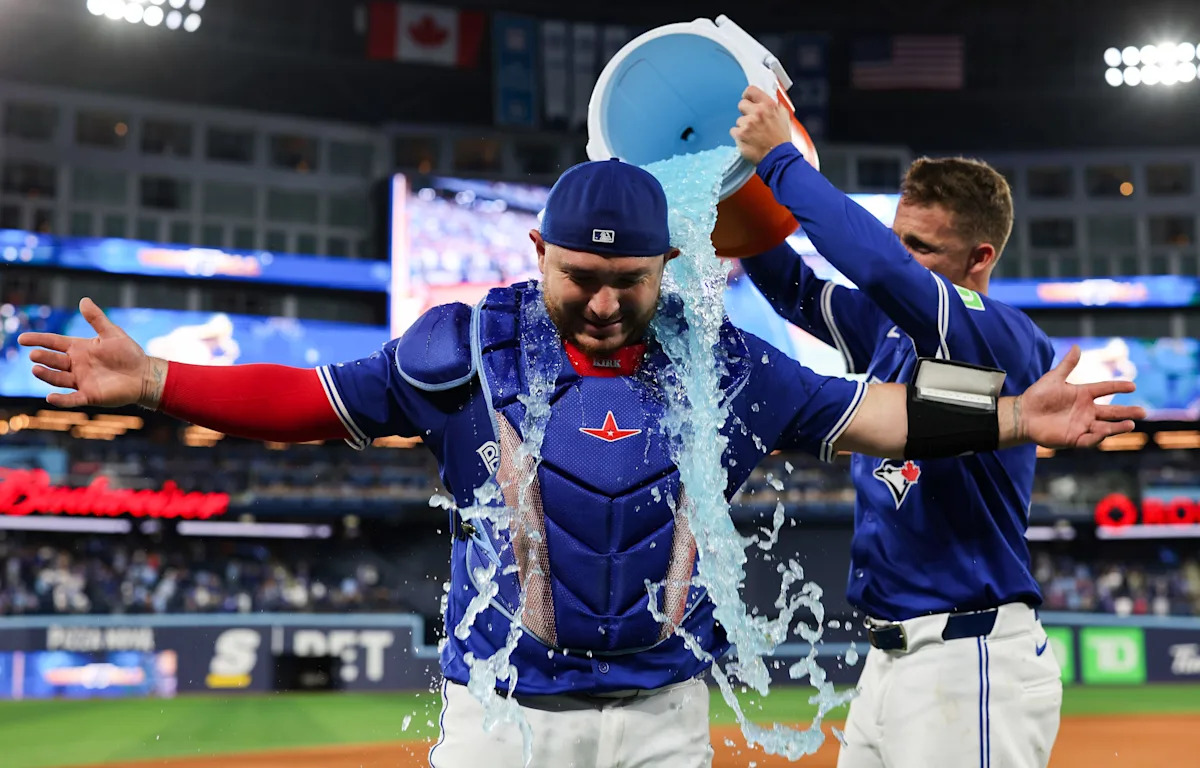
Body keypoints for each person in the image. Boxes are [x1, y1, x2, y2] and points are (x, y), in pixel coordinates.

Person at [19, 158, 1140, 768]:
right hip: (503, 719)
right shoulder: (466, 347)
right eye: (579, 278)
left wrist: (1011, 413)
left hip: (662, 718)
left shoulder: (728, 367)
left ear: (667, 266)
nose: (604, 303)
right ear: (536, 253)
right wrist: (156, 378)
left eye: (630, 281)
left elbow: (883, 414)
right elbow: (313, 400)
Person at [732, 85, 1070, 768]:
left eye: (923, 247)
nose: (902, 259)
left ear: (980, 259)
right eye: (899, 240)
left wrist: (780, 162)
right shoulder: (892, 332)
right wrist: (734, 200)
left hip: (970, 659)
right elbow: (797, 289)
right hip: (889, 661)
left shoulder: (996, 335)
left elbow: (880, 270)